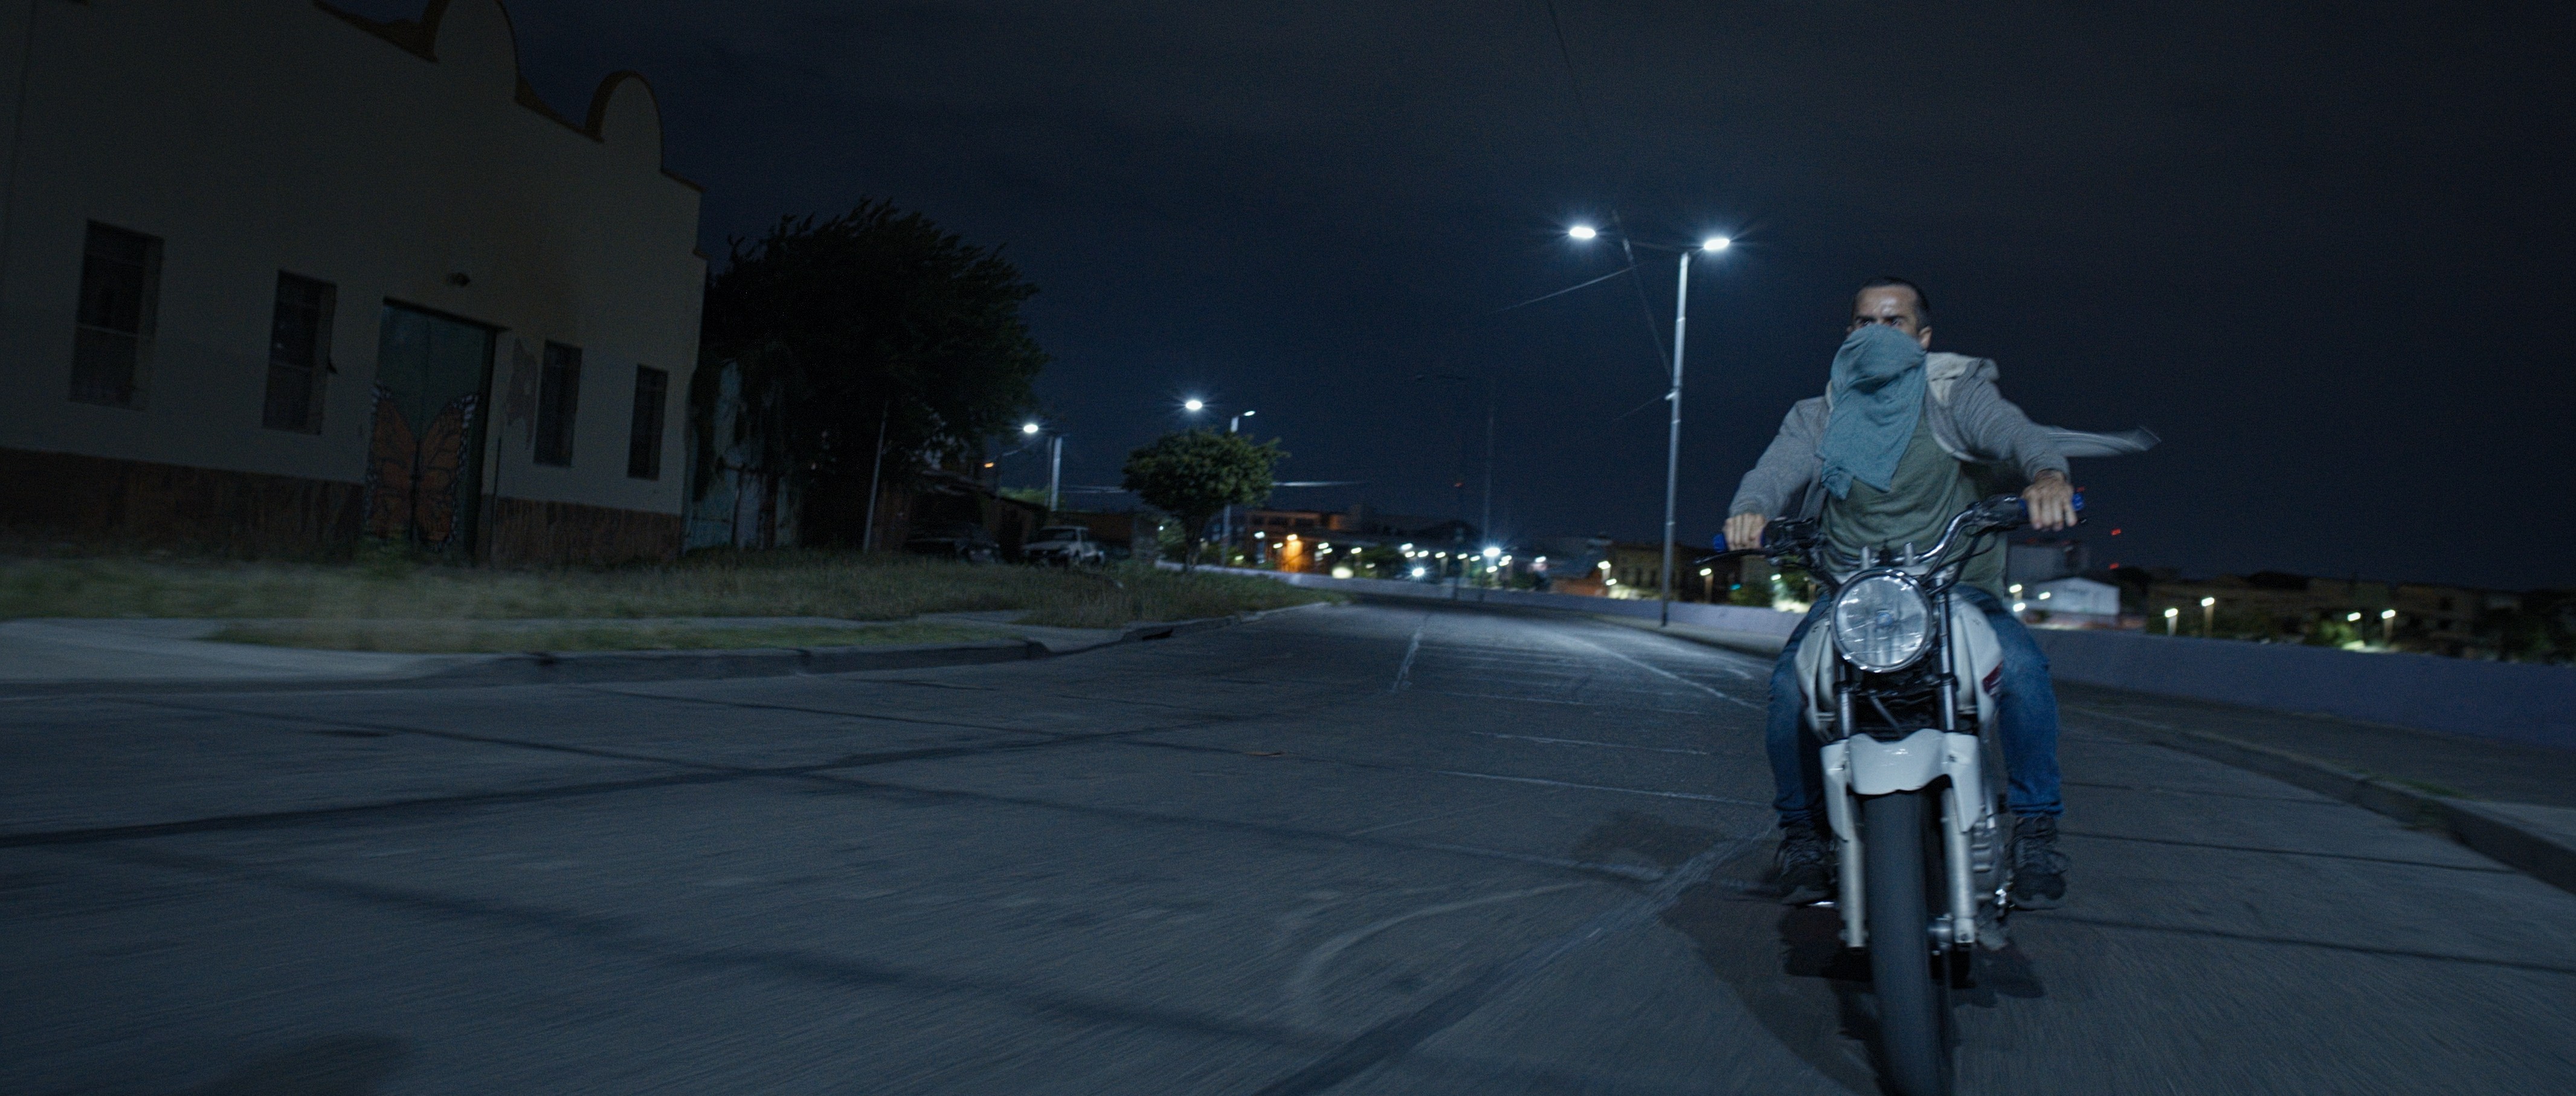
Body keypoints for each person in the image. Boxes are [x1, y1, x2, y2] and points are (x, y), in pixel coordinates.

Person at [1724, 277, 2075, 909]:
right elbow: (1775, 470)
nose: (1876, 335)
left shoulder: (1951, 396)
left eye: (1893, 323)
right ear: (1847, 333)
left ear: (1922, 337)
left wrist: (2046, 475)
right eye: (1864, 323)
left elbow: (2015, 434)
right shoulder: (1821, 413)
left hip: (1954, 586)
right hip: (1853, 592)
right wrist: (1750, 510)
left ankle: (2036, 827)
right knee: (1789, 690)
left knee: (2023, 670)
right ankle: (1801, 832)